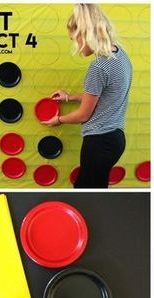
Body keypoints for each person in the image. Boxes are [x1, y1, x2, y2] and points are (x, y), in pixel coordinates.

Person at [42, 4, 133, 188]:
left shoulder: (98, 67)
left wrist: (58, 119)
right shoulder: (120, 55)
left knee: (85, 189)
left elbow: (83, 115)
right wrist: (69, 98)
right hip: (115, 140)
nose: (75, 45)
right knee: (95, 186)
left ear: (86, 34)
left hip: (98, 143)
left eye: (74, 39)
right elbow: (106, 97)